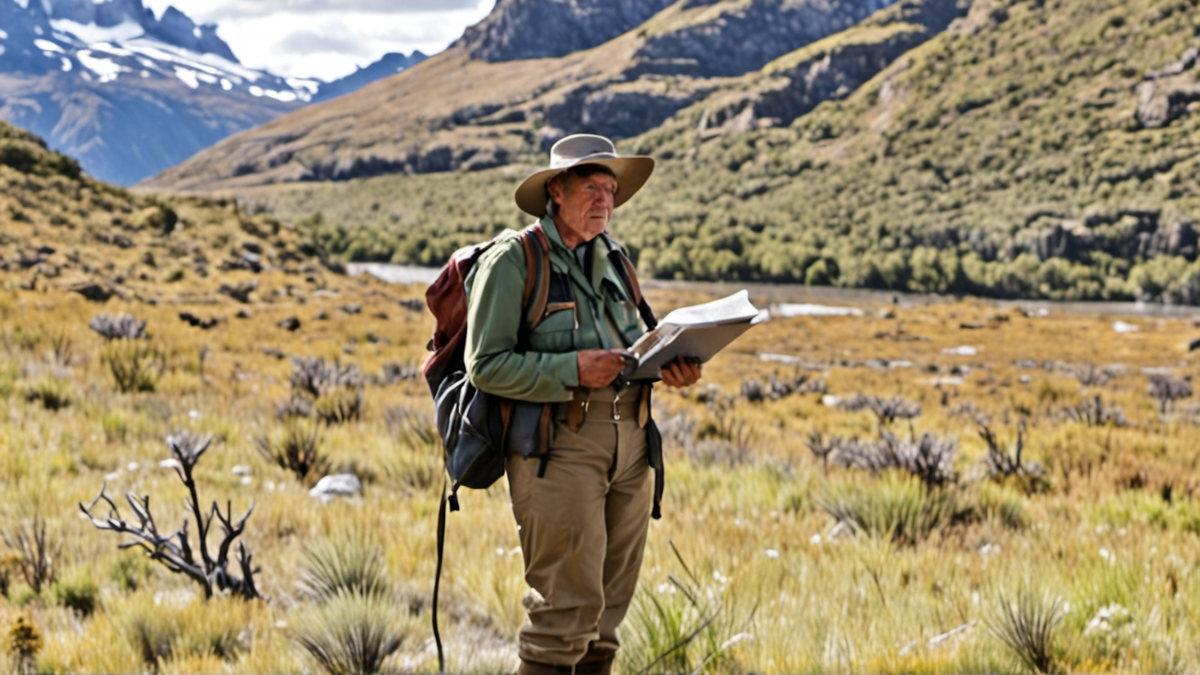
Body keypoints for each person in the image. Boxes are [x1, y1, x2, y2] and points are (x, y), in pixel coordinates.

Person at [464, 134, 702, 675]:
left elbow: (635, 347)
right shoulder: (514, 260)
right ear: (556, 190)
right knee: (563, 620)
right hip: (558, 450)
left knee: (605, 624)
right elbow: (486, 365)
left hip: (634, 451)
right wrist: (571, 370)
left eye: (611, 191)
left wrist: (671, 366)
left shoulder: (616, 259)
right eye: (591, 186)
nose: (604, 201)